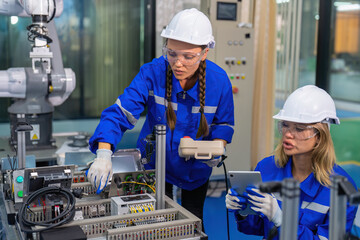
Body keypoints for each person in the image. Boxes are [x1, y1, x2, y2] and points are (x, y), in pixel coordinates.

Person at [86, 8, 234, 227]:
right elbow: (119, 114)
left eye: (188, 56)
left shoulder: (219, 81)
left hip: (196, 169)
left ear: (204, 53)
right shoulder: (152, 73)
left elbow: (223, 123)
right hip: (155, 166)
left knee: (193, 223)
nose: (178, 63)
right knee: (155, 224)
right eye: (172, 53)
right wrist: (103, 154)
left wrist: (216, 148)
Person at [226, 85, 358, 239]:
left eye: (299, 129)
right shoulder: (266, 168)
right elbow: (258, 227)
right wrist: (243, 212)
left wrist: (282, 221)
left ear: (319, 136)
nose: (288, 134)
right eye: (285, 125)